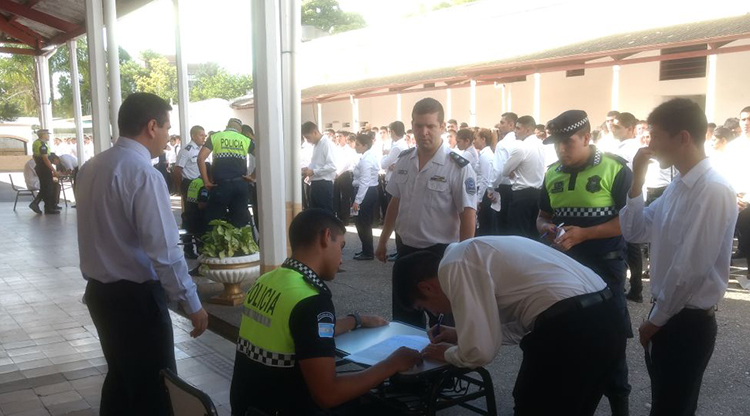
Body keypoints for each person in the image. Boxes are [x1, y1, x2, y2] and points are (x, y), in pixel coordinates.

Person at [76, 93, 209, 416]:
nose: (167, 136)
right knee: (154, 390)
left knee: (121, 379)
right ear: (151, 126)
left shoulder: (92, 167)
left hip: (100, 295)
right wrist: (191, 302)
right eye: (166, 128)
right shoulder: (143, 174)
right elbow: (164, 251)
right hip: (135, 301)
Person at [394, 237, 627, 416]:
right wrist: (459, 334)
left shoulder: (454, 265)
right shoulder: (471, 252)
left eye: (424, 307)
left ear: (426, 288)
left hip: (573, 328)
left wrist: (448, 353)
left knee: (533, 406)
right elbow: (524, 323)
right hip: (606, 317)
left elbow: (479, 352)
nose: (435, 314)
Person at [230, 209, 422, 416]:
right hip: (286, 408)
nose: (341, 260)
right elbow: (328, 394)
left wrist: (356, 320)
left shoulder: (267, 280)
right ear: (326, 237)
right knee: (393, 409)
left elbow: (299, 331)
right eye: (341, 246)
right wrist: (393, 363)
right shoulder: (311, 300)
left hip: (249, 407)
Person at [620, 98, 737, 415]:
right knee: (666, 403)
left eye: (656, 136)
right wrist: (637, 181)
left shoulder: (713, 189)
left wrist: (655, 322)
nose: (650, 146)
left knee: (673, 407)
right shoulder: (677, 186)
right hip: (669, 312)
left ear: (683, 137)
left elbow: (689, 268)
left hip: (686, 321)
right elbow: (635, 231)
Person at [536, 109, 633, 416]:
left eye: (568, 142)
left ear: (587, 137)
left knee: (610, 337)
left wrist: (585, 234)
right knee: (567, 333)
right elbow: (542, 217)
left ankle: (619, 403)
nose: (561, 149)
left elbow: (630, 222)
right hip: (565, 267)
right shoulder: (552, 173)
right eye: (556, 143)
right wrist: (547, 229)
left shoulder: (615, 169)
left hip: (606, 268)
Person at [374, 97, 477, 327]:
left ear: (442, 127)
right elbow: (395, 202)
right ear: (412, 125)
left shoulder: (458, 166)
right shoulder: (404, 161)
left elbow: (468, 214)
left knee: (444, 323)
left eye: (430, 126)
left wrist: (463, 258)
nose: (424, 132)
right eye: (419, 126)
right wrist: (382, 241)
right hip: (406, 250)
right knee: (404, 320)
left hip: (439, 254)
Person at [611, 112, 646, 303]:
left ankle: (636, 288)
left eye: (617, 126)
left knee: (631, 245)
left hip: (628, 198)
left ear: (630, 128)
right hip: (622, 197)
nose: (612, 129)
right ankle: (632, 286)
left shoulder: (632, 148)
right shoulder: (617, 146)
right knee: (627, 245)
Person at [198, 118, 254, 228]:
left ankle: (216, 238)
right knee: (239, 224)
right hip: (240, 185)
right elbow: (262, 157)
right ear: (240, 129)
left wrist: (206, 181)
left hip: (221, 186)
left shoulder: (215, 137)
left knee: (214, 222)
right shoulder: (245, 140)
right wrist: (253, 176)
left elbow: (200, 159)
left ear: (227, 126)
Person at [503, 115, 545, 239]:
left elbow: (504, 171)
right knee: (533, 235)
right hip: (538, 194)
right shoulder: (541, 145)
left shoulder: (521, 147)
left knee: (518, 236)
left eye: (518, 128)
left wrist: (514, 171)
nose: (515, 131)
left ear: (528, 130)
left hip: (521, 196)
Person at [174, 125, 207, 257]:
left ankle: (201, 247)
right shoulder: (186, 150)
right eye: (201, 135)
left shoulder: (202, 150)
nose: (204, 138)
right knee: (190, 216)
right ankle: (188, 249)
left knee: (200, 215)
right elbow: (177, 170)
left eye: (204, 135)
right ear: (193, 136)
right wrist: (181, 188)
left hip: (200, 185)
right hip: (190, 186)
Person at [726, 106, 750, 287]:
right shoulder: (732, 147)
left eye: (749, 119)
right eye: (743, 119)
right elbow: (727, 174)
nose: (746, 123)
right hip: (739, 201)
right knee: (743, 239)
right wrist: (733, 195)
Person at [351, 134, 380, 261]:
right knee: (361, 222)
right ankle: (366, 249)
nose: (355, 146)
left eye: (358, 144)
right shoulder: (367, 156)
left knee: (363, 223)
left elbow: (365, 181)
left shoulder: (366, 160)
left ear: (365, 145)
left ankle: (368, 252)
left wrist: (357, 201)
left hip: (365, 193)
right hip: (368, 191)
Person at [490, 112, 518, 235]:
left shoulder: (502, 144)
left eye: (502, 122)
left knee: (502, 228)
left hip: (504, 189)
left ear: (511, 125)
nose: (499, 125)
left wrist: (491, 188)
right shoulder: (521, 142)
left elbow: (498, 170)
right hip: (519, 189)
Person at [302, 122, 337, 213]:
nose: (307, 141)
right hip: (315, 183)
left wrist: (314, 171)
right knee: (315, 213)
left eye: (308, 137)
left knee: (325, 213)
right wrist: (308, 169)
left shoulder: (327, 144)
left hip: (323, 183)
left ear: (315, 132)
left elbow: (332, 166)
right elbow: (316, 163)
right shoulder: (316, 145)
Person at [29, 129, 59, 214]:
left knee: (45, 188)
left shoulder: (36, 143)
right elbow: (45, 159)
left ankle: (39, 204)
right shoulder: (42, 145)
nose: (48, 136)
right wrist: (54, 170)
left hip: (40, 167)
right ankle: (46, 207)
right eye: (47, 134)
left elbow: (34, 156)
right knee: (48, 188)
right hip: (44, 169)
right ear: (43, 135)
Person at [473, 128, 496, 236]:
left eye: (475, 138)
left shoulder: (486, 155)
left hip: (483, 193)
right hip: (483, 191)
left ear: (483, 139)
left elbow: (485, 179)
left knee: (484, 225)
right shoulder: (484, 154)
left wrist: (479, 199)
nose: (474, 141)